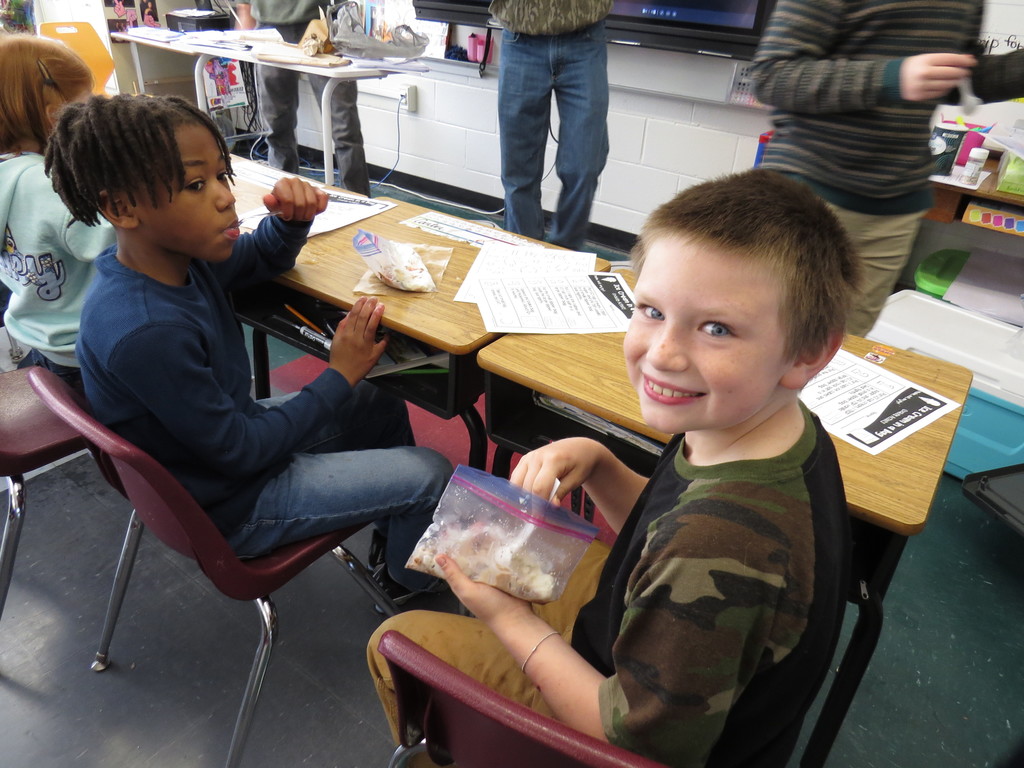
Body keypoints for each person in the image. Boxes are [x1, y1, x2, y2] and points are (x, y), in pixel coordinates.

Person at [368, 168, 861, 767]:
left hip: (619, 732)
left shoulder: (719, 538)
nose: (662, 353)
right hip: (641, 643)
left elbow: (628, 741)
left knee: (395, 644)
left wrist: (506, 618)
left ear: (808, 353)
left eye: (716, 328)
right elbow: (664, 528)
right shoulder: (761, 426)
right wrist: (601, 464)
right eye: (651, 310)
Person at [46, 93, 450, 600]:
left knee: (379, 401)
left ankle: (395, 541)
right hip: (231, 504)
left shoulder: (171, 259)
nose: (223, 198)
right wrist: (338, 374)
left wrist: (291, 223)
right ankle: (412, 589)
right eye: (196, 185)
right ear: (122, 207)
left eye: (222, 176)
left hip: (224, 461)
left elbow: (255, 257)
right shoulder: (146, 331)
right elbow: (241, 452)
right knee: (429, 474)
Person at [750, 0, 1024, 336]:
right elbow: (771, 76)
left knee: (842, 350)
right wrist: (892, 76)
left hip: (894, 210)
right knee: (766, 337)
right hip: (807, 196)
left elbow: (958, 78)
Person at [0, 33, 115, 391]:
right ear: (57, 117)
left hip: (37, 339)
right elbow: (120, 243)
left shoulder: (9, 172)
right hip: (89, 349)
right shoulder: (47, 184)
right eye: (86, 105)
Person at [489, 0, 611, 251]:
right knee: (518, 170)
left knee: (584, 167)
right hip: (521, 39)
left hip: (584, 39)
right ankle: (523, 253)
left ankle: (564, 253)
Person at [233, 1, 371, 197]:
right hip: (269, 26)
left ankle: (359, 200)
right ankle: (284, 199)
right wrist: (244, 6)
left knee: (344, 127)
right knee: (276, 126)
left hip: (323, 20)